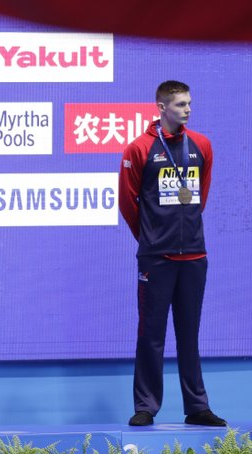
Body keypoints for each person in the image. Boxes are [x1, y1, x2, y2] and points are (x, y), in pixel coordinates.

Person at [119, 80, 226, 427]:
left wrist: (185, 232)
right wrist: (150, 238)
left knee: (189, 334)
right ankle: (146, 406)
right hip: (156, 258)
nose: (188, 110)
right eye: (180, 104)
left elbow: (199, 198)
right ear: (161, 107)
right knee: (151, 334)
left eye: (189, 104)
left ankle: (197, 406)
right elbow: (127, 201)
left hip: (194, 256)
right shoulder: (138, 149)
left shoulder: (202, 145)